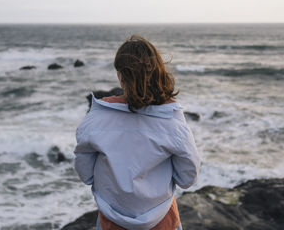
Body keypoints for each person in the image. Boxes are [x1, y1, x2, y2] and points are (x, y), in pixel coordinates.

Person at [74, 35, 201, 230]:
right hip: (162, 223)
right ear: (158, 72)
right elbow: (187, 178)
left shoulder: (95, 119)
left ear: (121, 76)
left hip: (111, 223)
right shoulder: (173, 121)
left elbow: (86, 175)